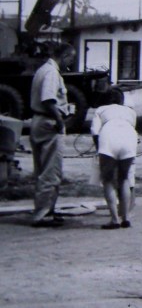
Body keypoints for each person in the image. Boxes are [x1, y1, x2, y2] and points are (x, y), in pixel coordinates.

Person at [29, 43, 76, 227]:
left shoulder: (43, 70)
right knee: (51, 170)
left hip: (39, 121)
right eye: (71, 58)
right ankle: (43, 214)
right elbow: (48, 99)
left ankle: (47, 209)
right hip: (49, 123)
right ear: (64, 56)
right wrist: (59, 120)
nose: (71, 62)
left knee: (42, 169)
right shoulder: (51, 73)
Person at [91, 89, 138, 229]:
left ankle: (114, 219)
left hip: (108, 136)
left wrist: (99, 148)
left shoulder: (100, 110)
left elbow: (94, 131)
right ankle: (126, 217)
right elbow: (133, 126)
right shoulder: (130, 111)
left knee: (108, 180)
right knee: (124, 178)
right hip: (129, 137)